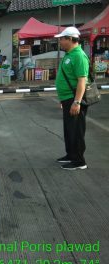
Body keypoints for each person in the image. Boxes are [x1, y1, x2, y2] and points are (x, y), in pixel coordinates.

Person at [54, 27, 89, 171]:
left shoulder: (79, 56)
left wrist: (77, 102)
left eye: (61, 39)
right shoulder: (69, 54)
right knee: (69, 130)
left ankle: (79, 161)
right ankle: (70, 154)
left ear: (70, 39)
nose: (60, 41)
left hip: (74, 99)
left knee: (76, 131)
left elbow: (82, 81)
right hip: (67, 99)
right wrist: (63, 100)